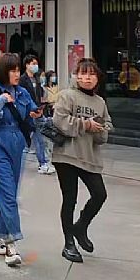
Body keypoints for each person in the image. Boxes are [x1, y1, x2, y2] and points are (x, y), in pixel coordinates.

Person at [0, 52, 40, 267]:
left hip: (18, 147)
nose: (17, 74)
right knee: (8, 196)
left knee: (8, 193)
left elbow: (32, 111)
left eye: (18, 70)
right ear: (3, 71)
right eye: (13, 70)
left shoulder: (22, 92)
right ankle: (11, 242)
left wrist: (37, 114)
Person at [52, 57, 113, 264]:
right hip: (66, 155)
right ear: (76, 76)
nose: (87, 78)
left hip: (89, 156)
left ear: (98, 78)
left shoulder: (100, 102)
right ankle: (68, 243)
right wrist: (86, 125)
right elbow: (60, 121)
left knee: (100, 194)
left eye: (91, 74)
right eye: (83, 74)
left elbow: (105, 129)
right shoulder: (67, 95)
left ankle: (80, 227)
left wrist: (101, 129)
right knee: (70, 198)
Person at [22, 55, 55, 175]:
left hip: (37, 112)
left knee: (39, 138)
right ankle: (43, 163)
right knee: (31, 138)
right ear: (27, 65)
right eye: (33, 63)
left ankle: (43, 163)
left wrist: (41, 107)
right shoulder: (22, 80)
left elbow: (39, 95)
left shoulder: (37, 79)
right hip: (27, 113)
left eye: (36, 63)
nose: (35, 66)